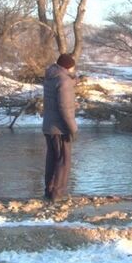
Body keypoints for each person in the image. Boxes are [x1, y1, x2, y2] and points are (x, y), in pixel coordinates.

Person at [42, 53, 78, 202]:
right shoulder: (64, 81)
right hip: (60, 128)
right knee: (63, 161)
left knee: (52, 159)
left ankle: (49, 192)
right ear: (68, 66)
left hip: (49, 126)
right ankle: (58, 195)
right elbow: (65, 108)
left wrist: (73, 82)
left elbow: (61, 89)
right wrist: (73, 129)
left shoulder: (51, 77)